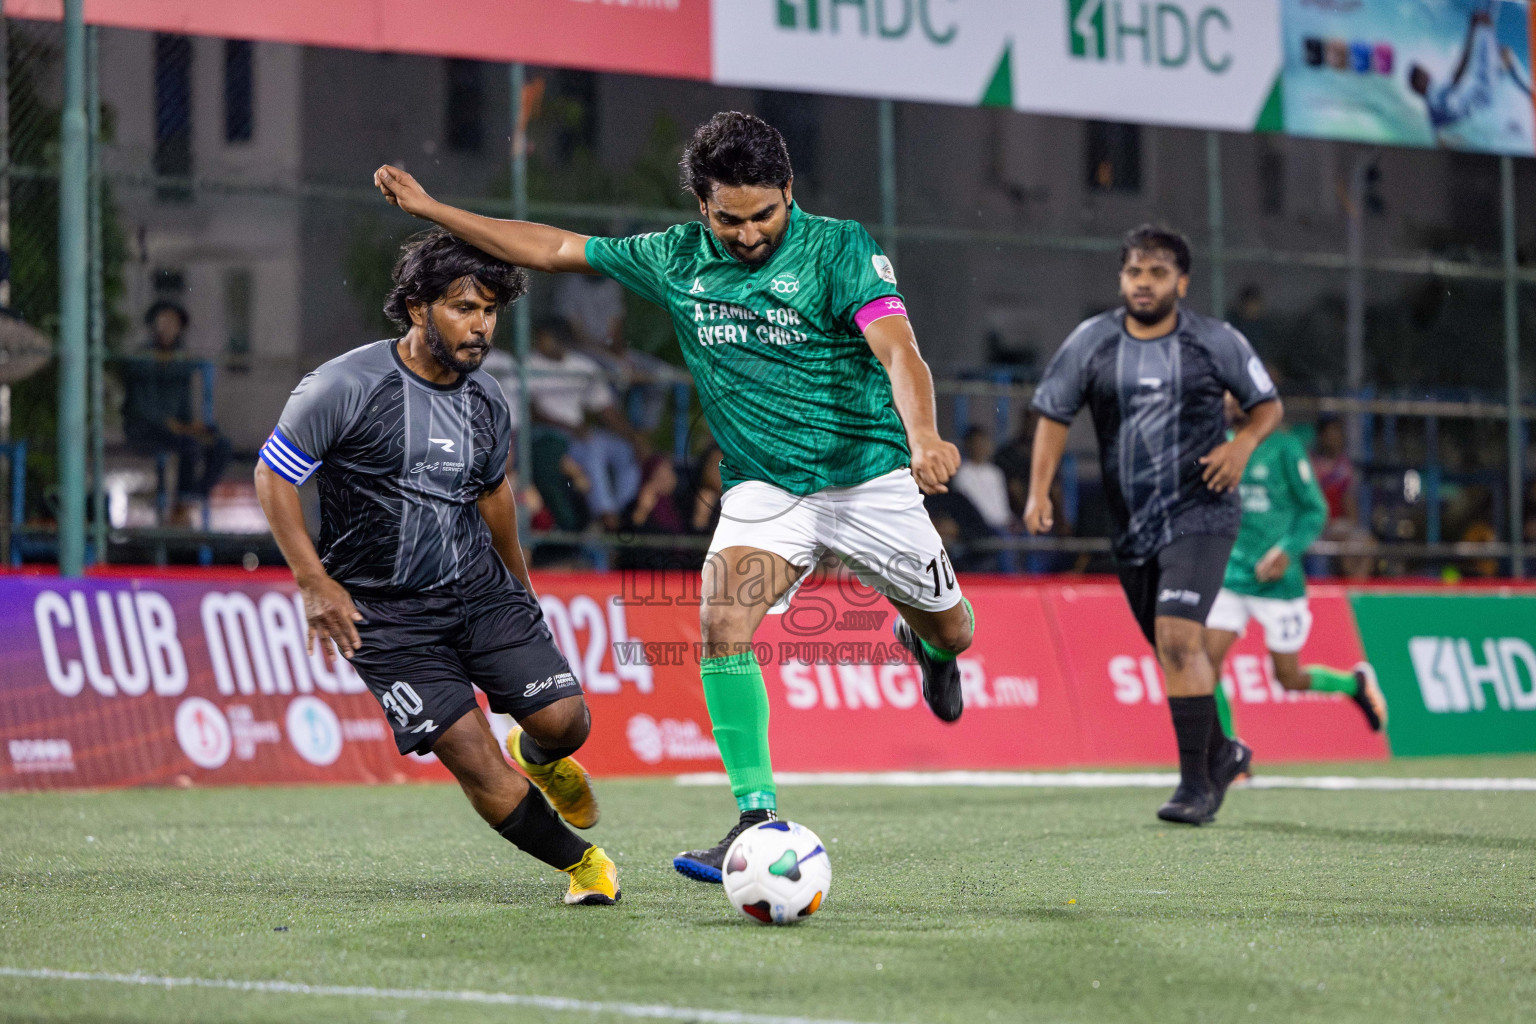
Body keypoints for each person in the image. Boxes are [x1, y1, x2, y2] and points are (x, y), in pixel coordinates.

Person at [374, 110, 975, 883]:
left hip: (869, 478)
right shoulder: (675, 258)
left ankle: (925, 646)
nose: (750, 233)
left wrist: (922, 435)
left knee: (955, 631)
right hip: (766, 488)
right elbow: (554, 248)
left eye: (765, 213)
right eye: (731, 218)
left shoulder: (840, 247)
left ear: (789, 192)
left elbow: (899, 349)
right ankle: (754, 819)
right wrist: (433, 211)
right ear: (702, 206)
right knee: (722, 620)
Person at [254, 229, 619, 906]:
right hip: (385, 616)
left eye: (489, 311)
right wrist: (313, 580)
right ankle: (585, 866)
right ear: (419, 307)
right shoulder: (344, 386)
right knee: (473, 756)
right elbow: (273, 477)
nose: (479, 327)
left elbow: (494, 496)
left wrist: (521, 587)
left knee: (567, 724)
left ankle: (541, 758)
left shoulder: (486, 402)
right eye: (463, 308)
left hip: (478, 590)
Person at [1025, 224, 1282, 826]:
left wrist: (1243, 443)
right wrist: (1039, 491)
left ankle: (1197, 786)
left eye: (1158, 273)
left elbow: (1267, 405)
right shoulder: (1092, 341)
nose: (1144, 283)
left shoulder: (1215, 341)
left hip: (1203, 511)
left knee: (1176, 638)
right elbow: (1054, 414)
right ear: (1122, 279)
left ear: (1181, 282)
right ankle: (1222, 753)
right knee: (1173, 649)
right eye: (1135, 272)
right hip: (1132, 526)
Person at [1205, 394, 1387, 740]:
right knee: (1205, 665)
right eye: (1224, 395)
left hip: (1277, 583)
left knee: (1287, 677)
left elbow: (1314, 510)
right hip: (1232, 577)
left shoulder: (1285, 448)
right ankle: (1230, 756)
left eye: (1234, 394)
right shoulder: (1220, 446)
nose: (1226, 401)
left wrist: (1286, 552)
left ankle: (1353, 684)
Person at [527, 318, 647, 531]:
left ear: (559, 339)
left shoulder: (581, 365)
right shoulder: (529, 363)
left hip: (579, 432)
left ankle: (621, 512)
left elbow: (606, 410)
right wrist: (569, 428)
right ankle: (605, 514)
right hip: (551, 436)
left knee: (628, 452)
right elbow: (530, 412)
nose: (540, 342)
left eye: (544, 337)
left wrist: (633, 437)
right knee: (593, 449)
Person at [120, 301, 232, 513]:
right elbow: (143, 407)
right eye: (162, 321)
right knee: (189, 445)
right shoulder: (142, 359)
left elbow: (184, 403)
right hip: (145, 429)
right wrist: (175, 426)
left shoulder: (181, 361)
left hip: (175, 429)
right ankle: (181, 497)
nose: (167, 328)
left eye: (173, 323)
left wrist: (191, 425)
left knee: (220, 445)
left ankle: (192, 497)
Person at [1409, 5, 1533, 149]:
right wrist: (1471, 29)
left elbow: (1439, 141)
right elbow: (1458, 73)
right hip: (1483, 91)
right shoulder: (1434, 94)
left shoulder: (1431, 114)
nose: (1428, 73)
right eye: (1423, 73)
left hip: (1484, 104)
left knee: (1504, 55)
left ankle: (1528, 94)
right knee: (1485, 22)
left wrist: (1458, 143)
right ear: (1418, 84)